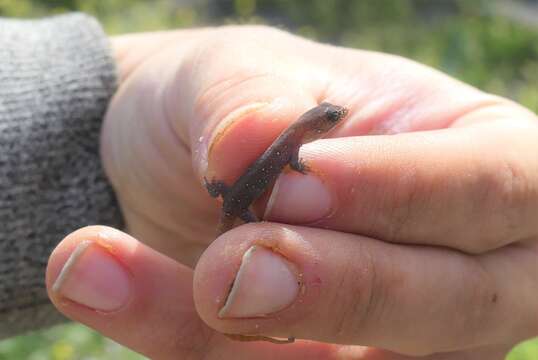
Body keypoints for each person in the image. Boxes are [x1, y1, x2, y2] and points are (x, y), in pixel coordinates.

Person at [1, 13, 537, 360]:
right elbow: (288, 165)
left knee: (246, 251)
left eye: (331, 118)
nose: (334, 121)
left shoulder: (292, 144)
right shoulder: (289, 143)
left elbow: (288, 164)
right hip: (233, 204)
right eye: (331, 119)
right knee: (248, 245)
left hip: (229, 202)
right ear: (316, 125)